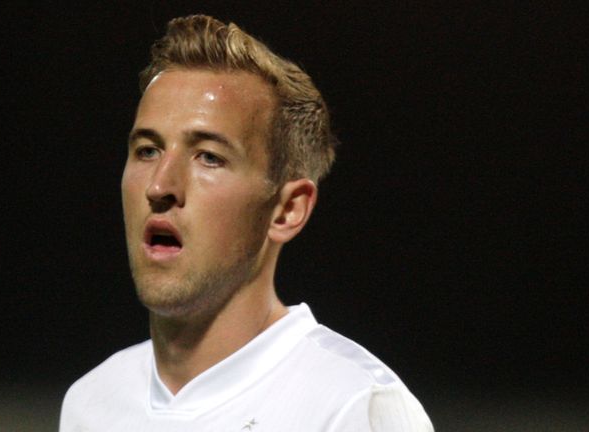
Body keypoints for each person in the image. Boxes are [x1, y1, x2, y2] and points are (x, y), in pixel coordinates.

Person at [60, 15, 433, 431]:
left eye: (209, 157)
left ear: (288, 210)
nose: (160, 185)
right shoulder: (92, 401)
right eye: (147, 150)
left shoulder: (350, 405)